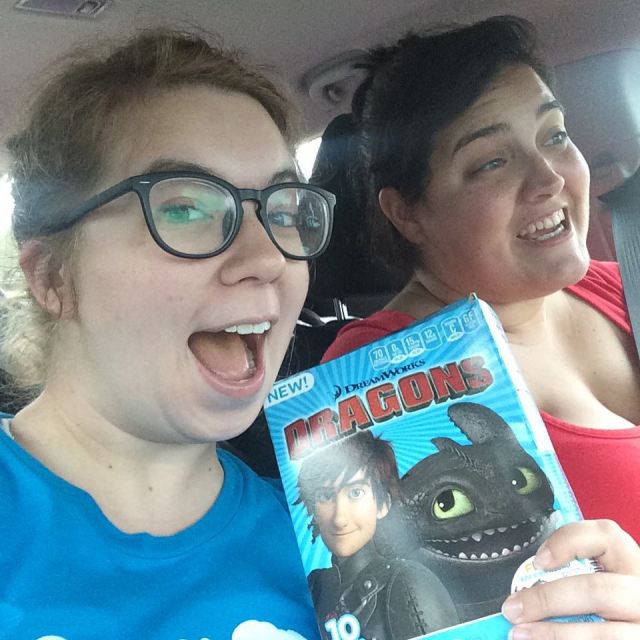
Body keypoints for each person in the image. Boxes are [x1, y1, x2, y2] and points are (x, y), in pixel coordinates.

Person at [0, 29, 336, 639]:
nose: (267, 257)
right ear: (53, 276)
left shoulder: (337, 540)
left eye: (283, 212)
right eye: (185, 208)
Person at [321, 16, 640, 638]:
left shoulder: (624, 283)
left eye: (554, 135)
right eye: (492, 161)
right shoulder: (374, 374)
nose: (549, 179)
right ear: (408, 213)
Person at [295, 430, 458, 639]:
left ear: (383, 504)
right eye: (325, 496)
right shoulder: (315, 585)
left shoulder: (407, 582)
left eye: (355, 493)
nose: (339, 518)